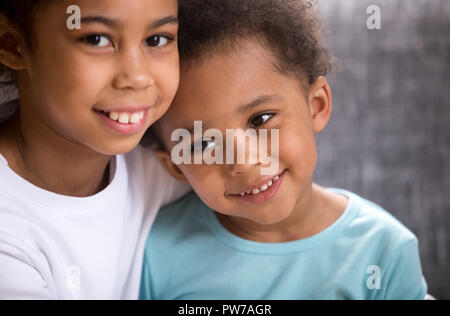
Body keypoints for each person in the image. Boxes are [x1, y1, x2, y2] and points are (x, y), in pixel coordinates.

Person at [140, 0, 428, 299]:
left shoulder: (383, 251)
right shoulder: (155, 250)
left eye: (260, 119)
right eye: (203, 143)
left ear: (316, 105)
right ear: (175, 166)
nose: (244, 161)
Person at [0, 0, 190, 299]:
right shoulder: (8, 237)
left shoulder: (163, 167)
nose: (138, 77)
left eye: (156, 39)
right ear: (11, 43)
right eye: (96, 39)